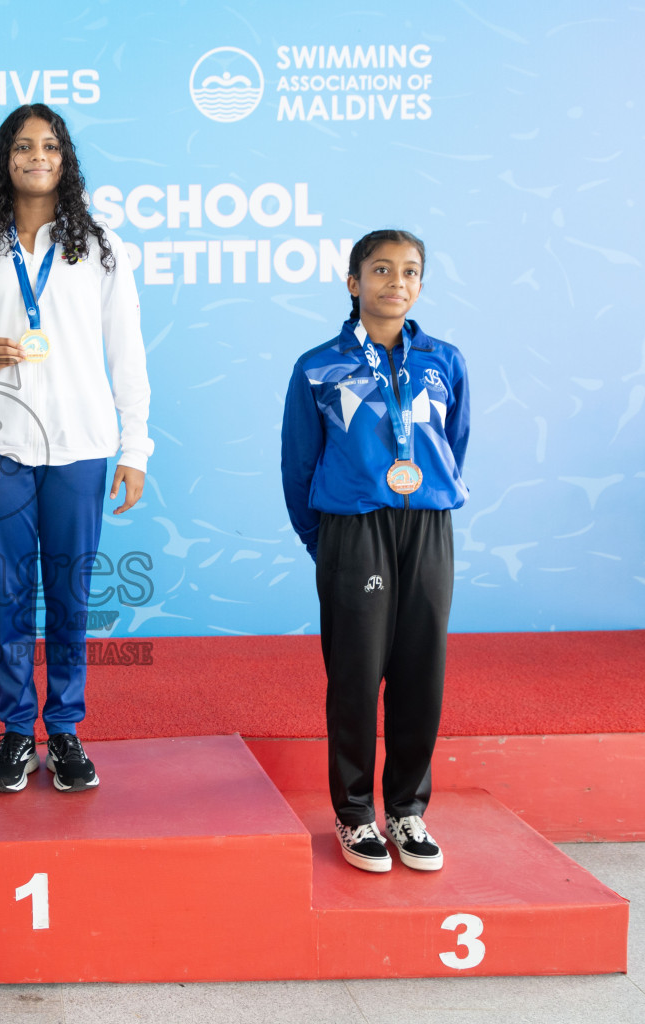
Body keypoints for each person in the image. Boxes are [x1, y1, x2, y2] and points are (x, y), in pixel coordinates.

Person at [0, 103, 152, 794]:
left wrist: (135, 446)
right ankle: (17, 732)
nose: (36, 156)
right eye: (23, 145)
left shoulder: (101, 246)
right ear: (5, 157)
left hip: (82, 442)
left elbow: (128, 353)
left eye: (49, 146)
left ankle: (66, 729)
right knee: (9, 593)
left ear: (65, 159)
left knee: (70, 595)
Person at [279, 228, 469, 874]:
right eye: (381, 270)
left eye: (410, 271)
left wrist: (430, 500)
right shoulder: (317, 365)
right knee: (357, 675)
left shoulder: (445, 360)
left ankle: (408, 809)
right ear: (354, 282)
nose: (397, 282)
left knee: (423, 670)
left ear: (421, 284)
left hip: (428, 525)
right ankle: (355, 813)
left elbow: (456, 443)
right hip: (352, 530)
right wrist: (325, 541)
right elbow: (298, 465)